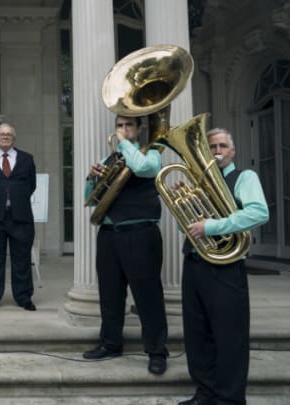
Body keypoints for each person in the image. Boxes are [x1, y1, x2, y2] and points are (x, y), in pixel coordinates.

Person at [177, 128, 268, 405]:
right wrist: (187, 202)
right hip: (195, 264)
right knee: (197, 334)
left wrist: (212, 226)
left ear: (233, 151)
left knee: (230, 337)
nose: (217, 151)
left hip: (226, 268)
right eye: (212, 146)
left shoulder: (245, 177)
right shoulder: (200, 182)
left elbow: (258, 212)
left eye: (222, 146)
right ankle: (204, 393)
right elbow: (191, 225)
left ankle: (229, 399)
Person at [82, 115, 169, 375]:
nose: (122, 130)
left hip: (140, 232)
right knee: (110, 293)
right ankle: (110, 343)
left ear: (139, 129)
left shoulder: (151, 153)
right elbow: (91, 199)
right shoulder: (110, 159)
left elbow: (144, 169)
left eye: (128, 125)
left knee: (148, 296)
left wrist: (124, 144)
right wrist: (91, 178)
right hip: (109, 233)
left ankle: (156, 351)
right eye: (119, 126)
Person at [0, 123, 37, 311]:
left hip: (21, 217)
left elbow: (31, 185)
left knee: (22, 259)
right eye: (2, 134)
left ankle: (23, 297)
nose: (5, 136)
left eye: (9, 134)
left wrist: (15, 199)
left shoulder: (27, 159)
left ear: (14, 138)